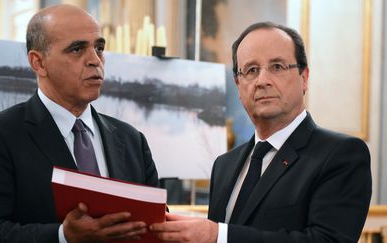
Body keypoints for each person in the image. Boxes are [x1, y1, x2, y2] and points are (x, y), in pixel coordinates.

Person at [150, 21, 372, 243]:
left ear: (304, 78)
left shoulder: (341, 155)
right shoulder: (224, 165)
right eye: (251, 70)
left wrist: (218, 235)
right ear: (238, 85)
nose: (262, 81)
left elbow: (327, 241)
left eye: (277, 67)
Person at [0, 4, 159, 243]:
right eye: (77, 49)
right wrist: (62, 236)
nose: (95, 60)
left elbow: (156, 224)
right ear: (38, 63)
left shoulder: (132, 140)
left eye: (99, 48)